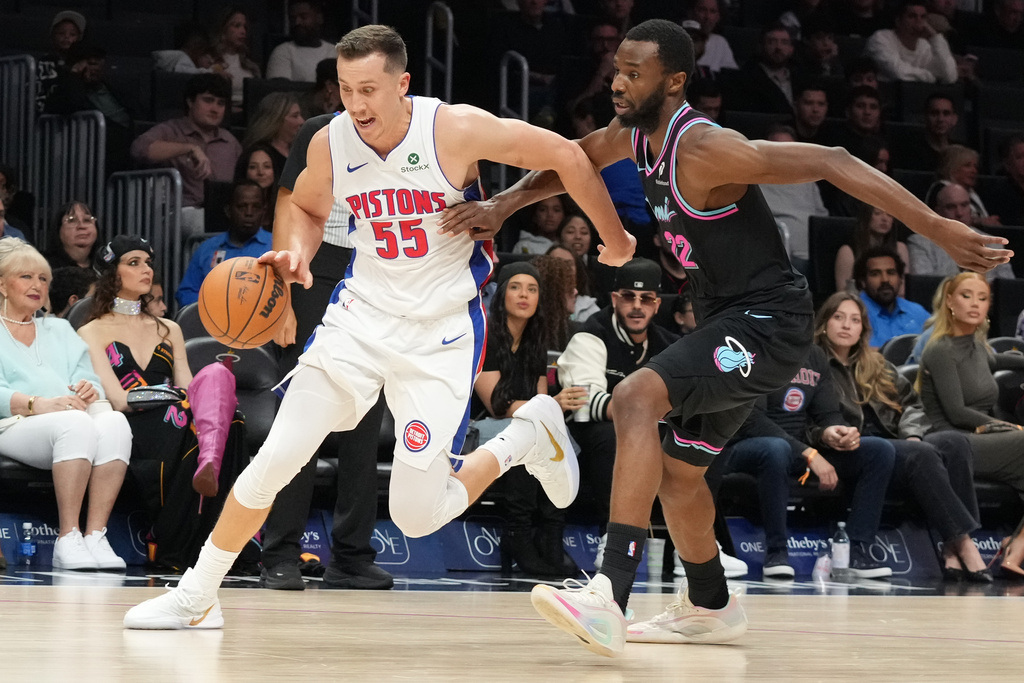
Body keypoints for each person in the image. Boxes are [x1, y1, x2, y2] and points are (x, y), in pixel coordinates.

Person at [439, 18, 1003, 656]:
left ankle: (609, 595)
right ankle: (709, 602)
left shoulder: (705, 149)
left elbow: (834, 160)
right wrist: (501, 206)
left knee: (633, 400)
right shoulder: (630, 136)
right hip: (726, 319)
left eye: (634, 73)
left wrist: (937, 227)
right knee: (680, 474)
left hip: (767, 320)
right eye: (617, 69)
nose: (618, 82)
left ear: (674, 81)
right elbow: (569, 160)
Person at [124, 24, 634, 630]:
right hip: (359, 319)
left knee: (418, 515)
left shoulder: (454, 128)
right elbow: (306, 205)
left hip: (440, 333)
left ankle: (525, 439)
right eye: (344, 89)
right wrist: (292, 255)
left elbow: (568, 154)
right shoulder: (332, 141)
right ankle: (197, 595)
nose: (356, 104)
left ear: (403, 85)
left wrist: (617, 238)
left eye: (368, 88)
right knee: (276, 459)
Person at [257, 113, 393, 593]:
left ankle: (352, 557)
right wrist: (283, 289)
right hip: (317, 261)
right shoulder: (320, 131)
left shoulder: (413, 132)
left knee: (366, 418)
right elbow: (288, 202)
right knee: (301, 413)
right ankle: (280, 553)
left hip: (380, 268)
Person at [78, 235, 249, 570]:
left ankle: (226, 542)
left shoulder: (170, 328)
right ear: (112, 274)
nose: (146, 270)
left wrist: (191, 400)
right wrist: (175, 397)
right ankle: (177, 543)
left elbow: (188, 385)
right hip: (131, 423)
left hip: (175, 416)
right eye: (134, 263)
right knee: (181, 419)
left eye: (148, 262)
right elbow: (118, 399)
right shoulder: (91, 331)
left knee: (234, 419)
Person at [815, 291, 990, 581]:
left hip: (895, 442)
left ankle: (950, 544)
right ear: (824, 323)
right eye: (838, 317)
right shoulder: (814, 365)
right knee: (919, 454)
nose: (847, 325)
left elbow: (912, 406)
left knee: (954, 442)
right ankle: (963, 542)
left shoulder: (877, 364)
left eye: (855, 320)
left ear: (863, 329)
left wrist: (911, 435)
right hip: (853, 447)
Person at [709, 343, 895, 580]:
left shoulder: (814, 354)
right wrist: (808, 453)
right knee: (776, 448)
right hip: (738, 446)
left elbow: (827, 413)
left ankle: (855, 551)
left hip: (797, 448)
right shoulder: (748, 349)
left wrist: (835, 432)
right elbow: (750, 420)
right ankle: (777, 551)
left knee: (878, 450)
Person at [0, 237, 131, 571]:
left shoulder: (58, 328)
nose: (37, 285)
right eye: (26, 277)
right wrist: (35, 403)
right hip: (13, 424)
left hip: (69, 418)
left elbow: (90, 377)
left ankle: (95, 535)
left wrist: (90, 388)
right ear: (2, 284)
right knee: (76, 424)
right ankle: (67, 536)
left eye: (43, 279)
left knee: (115, 422)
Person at [556, 258, 678, 559]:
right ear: (614, 299)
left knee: (698, 439)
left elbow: (684, 404)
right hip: (592, 435)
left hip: (650, 429)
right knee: (610, 435)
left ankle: (691, 548)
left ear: (657, 304)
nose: (637, 306)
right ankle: (612, 538)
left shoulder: (670, 345)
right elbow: (585, 403)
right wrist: (646, 414)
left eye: (646, 299)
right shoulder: (590, 334)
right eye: (628, 297)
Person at [473, 262, 579, 577]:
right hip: (479, 429)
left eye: (532, 289)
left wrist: (556, 405)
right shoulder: (486, 334)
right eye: (517, 287)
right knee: (532, 433)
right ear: (502, 293)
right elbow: (495, 404)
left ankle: (551, 533)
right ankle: (517, 533)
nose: (524, 295)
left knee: (551, 434)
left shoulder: (535, 339)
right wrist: (549, 406)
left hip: (519, 424)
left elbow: (541, 402)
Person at [917, 272, 1024, 577]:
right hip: (951, 441)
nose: (975, 304)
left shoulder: (981, 350)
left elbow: (1008, 359)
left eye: (983, 297)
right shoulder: (940, 349)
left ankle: (1015, 549)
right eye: (966, 296)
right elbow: (958, 412)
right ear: (949, 301)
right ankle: (1006, 544)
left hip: (986, 442)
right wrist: (1006, 427)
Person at [130, 73, 242, 240]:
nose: (215, 109)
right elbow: (139, 149)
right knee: (205, 224)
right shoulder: (171, 130)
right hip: (179, 212)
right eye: (208, 100)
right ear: (190, 102)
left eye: (221, 103)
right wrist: (189, 148)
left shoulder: (230, 141)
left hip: (222, 212)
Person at [176, 181, 271, 307]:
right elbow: (186, 293)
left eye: (256, 207)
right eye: (242, 206)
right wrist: (215, 307)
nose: (249, 213)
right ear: (228, 210)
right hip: (212, 321)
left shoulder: (276, 246)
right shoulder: (207, 248)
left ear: (264, 211)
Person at [758, 124, 829, 273]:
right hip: (776, 257)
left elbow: (822, 218)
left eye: (789, 149)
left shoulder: (807, 181)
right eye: (778, 149)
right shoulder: (752, 181)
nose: (784, 154)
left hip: (813, 255)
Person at [910, 183, 1015, 282]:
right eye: (951, 207)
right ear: (938, 212)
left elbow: (1008, 289)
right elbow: (923, 286)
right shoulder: (920, 243)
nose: (959, 213)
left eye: (964, 205)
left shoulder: (994, 245)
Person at [864, 1, 957, 84]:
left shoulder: (925, 46)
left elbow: (950, 76)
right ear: (898, 21)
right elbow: (898, 72)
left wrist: (934, 37)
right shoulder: (880, 38)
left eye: (923, 17)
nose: (919, 21)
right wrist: (931, 78)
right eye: (912, 16)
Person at [856, 246, 929, 348]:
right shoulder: (854, 313)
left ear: (901, 279)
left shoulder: (917, 312)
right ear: (863, 282)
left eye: (891, 273)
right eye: (875, 274)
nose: (885, 279)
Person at [835, 202, 910, 293]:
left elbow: (903, 291)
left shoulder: (900, 248)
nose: (884, 219)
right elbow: (843, 293)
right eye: (877, 213)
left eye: (889, 215)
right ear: (866, 216)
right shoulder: (847, 252)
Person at [733, 23, 803, 115]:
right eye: (772, 42)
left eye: (784, 42)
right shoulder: (746, 79)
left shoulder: (802, 78)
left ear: (791, 49)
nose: (778, 47)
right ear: (761, 46)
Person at [924, 145, 1000, 229]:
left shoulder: (972, 192)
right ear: (952, 167)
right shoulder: (941, 189)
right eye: (967, 166)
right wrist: (979, 222)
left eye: (975, 166)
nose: (974, 171)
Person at [266, 0, 338, 82]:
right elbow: (280, 92)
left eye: (303, 17)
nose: (297, 22)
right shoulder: (283, 52)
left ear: (319, 18)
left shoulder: (335, 52)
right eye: (293, 18)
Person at [242, 92, 305, 180]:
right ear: (276, 120)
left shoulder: (301, 152)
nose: (301, 121)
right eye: (295, 116)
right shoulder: (257, 154)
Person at [892, 93, 960, 172]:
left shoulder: (961, 152)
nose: (940, 119)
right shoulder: (909, 151)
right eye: (934, 113)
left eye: (946, 113)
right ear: (925, 117)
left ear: (954, 119)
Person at [36, 10, 85, 113]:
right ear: (53, 36)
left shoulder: (83, 63)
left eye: (72, 34)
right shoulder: (43, 63)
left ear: (79, 39)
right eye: (61, 33)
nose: (67, 37)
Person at [214, 7, 261, 113]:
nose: (243, 31)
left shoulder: (251, 64)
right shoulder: (210, 60)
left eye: (245, 27)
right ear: (223, 29)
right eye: (237, 26)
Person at [44, 201, 99, 271]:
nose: (81, 226)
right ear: (58, 229)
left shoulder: (107, 267)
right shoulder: (43, 266)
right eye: (72, 220)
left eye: (87, 220)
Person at [687, 0, 737, 74]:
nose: (707, 16)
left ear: (718, 17)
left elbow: (732, 75)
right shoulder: (678, 39)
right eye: (702, 10)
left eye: (712, 11)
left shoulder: (720, 43)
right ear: (691, 13)